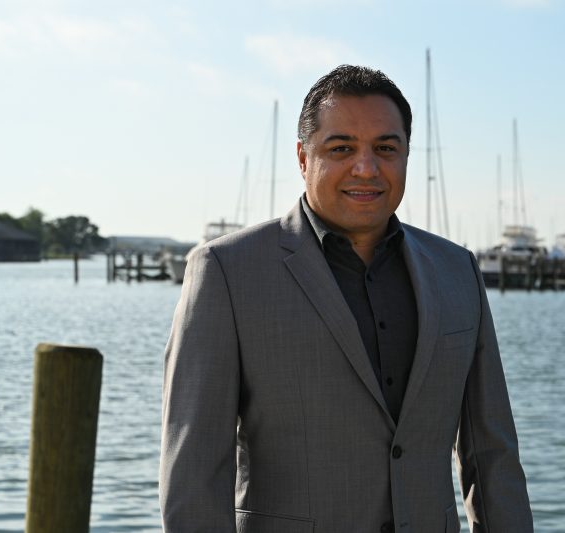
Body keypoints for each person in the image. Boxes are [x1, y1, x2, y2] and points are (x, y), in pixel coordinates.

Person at [160, 65, 532, 533]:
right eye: (341, 149)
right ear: (302, 157)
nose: (366, 167)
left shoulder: (457, 270)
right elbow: (194, 475)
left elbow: (493, 456)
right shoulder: (226, 272)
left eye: (385, 148)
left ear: (406, 156)